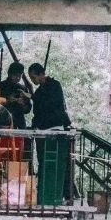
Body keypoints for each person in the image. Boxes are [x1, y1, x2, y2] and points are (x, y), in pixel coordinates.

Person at [28, 63, 73, 202]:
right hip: (42, 130)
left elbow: (51, 104)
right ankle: (44, 193)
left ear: (41, 74)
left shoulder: (54, 85)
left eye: (33, 77)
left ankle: (61, 194)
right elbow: (37, 111)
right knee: (43, 162)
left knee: (58, 164)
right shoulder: (39, 91)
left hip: (55, 129)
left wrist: (33, 97)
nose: (33, 80)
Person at [0, 62, 32, 130]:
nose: (17, 78)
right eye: (15, 75)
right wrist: (7, 101)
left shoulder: (23, 89)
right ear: (9, 73)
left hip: (19, 124)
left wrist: (23, 104)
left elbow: (28, 109)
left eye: (20, 76)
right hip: (3, 123)